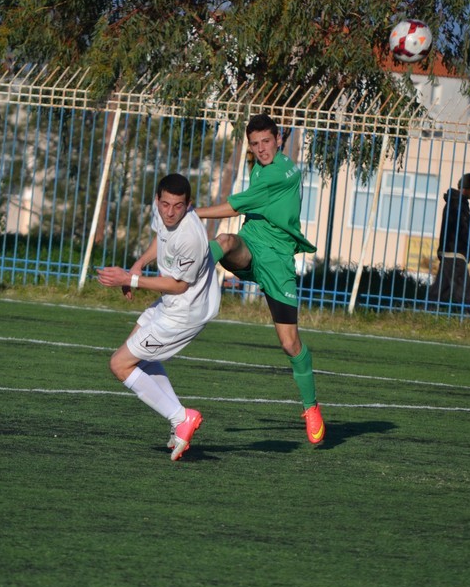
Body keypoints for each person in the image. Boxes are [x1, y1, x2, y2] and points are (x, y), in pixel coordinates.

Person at [195, 113, 325, 445]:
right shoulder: (262, 165)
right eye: (255, 144)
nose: (261, 149)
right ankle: (188, 279)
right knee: (226, 241)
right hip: (252, 247)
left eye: (267, 141)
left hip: (278, 262)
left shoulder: (279, 173)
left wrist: (191, 213)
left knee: (289, 343)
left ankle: (311, 407)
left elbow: (233, 207)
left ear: (279, 139)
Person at [97, 173, 221, 461]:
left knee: (119, 364)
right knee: (137, 358)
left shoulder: (191, 237)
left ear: (189, 204)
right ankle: (180, 422)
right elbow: (160, 238)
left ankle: (181, 417)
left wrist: (130, 279)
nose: (170, 212)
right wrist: (139, 264)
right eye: (165, 204)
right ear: (157, 200)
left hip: (184, 313)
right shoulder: (164, 214)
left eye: (178, 206)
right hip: (170, 304)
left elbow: (179, 285)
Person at [429, 172, 470, 308]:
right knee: (465, 290)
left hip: (450, 252)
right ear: (468, 188)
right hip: (455, 252)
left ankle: (428, 310)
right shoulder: (457, 205)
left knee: (440, 290)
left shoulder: (457, 203)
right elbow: (462, 227)